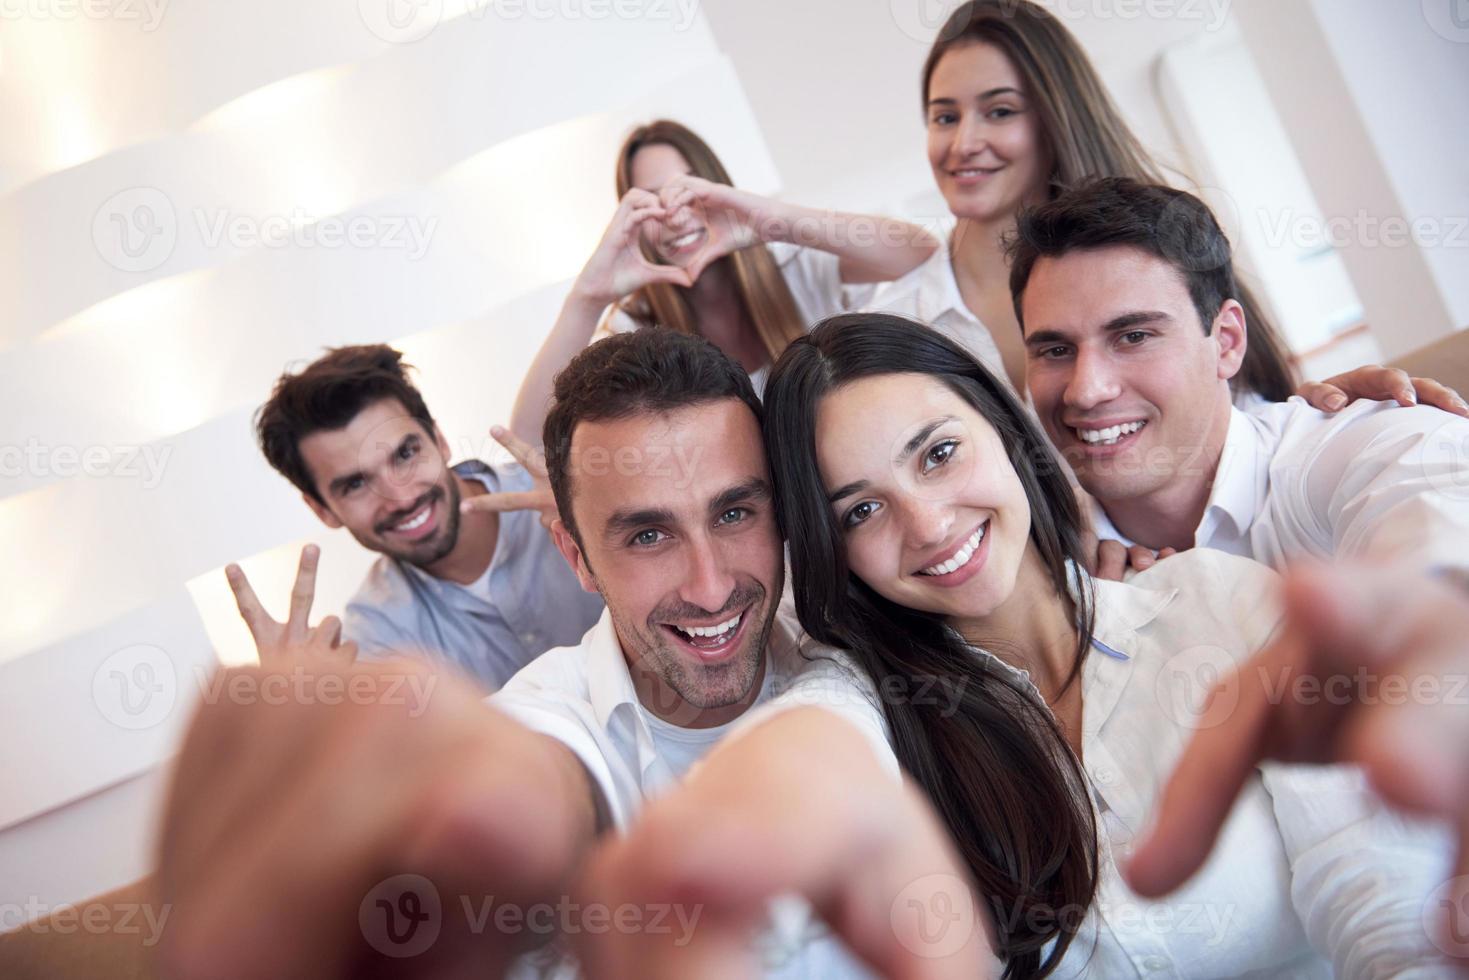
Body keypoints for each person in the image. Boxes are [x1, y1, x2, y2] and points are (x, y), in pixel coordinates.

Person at [106, 326, 969, 979]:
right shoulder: (518, 703)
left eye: (736, 513)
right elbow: (544, 772)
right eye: (645, 535)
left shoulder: (864, 621)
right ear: (575, 554)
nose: (709, 586)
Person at [615, 314, 1451, 976]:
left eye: (938, 454)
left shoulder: (1216, 604)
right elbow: (814, 748)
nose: (928, 524)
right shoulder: (877, 711)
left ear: (1008, 431)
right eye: (860, 511)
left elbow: (1378, 901)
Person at [870, 0, 1464, 418]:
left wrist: (1319, 416)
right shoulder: (898, 320)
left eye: (999, 111)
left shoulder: (1159, 256)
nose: (963, 142)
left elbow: (1246, 420)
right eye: (944, 116)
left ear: (1055, 118)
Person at [1010, 178, 1469, 577]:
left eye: (1133, 336)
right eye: (1055, 350)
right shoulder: (1035, 564)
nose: (1087, 390)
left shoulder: (1355, 448)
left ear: (1226, 341)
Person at [507, 119, 941, 443]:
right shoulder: (635, 330)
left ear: (719, 188)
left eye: (686, 191)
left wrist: (774, 222)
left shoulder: (791, 264)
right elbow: (527, 435)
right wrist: (588, 298)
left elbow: (917, 251)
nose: (674, 215)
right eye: (652, 202)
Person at [246, 343, 603, 689]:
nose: (400, 498)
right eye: (355, 484)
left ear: (439, 439)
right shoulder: (377, 637)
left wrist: (598, 522)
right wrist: (298, 713)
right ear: (322, 509)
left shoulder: (567, 494)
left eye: (405, 455)